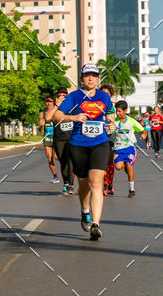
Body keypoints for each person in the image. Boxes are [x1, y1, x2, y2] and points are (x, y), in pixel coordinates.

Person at [52, 63, 115, 240]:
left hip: (100, 143)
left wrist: (111, 122)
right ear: (82, 78)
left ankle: (96, 224)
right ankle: (84, 211)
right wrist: (73, 117)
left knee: (96, 182)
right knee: (83, 183)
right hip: (78, 144)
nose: (91, 78)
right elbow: (56, 116)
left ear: (97, 78)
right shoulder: (74, 97)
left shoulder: (104, 96)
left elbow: (110, 114)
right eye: (87, 75)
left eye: (94, 75)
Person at [112, 100, 147, 197]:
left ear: (125, 111)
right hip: (118, 148)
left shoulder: (131, 121)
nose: (118, 113)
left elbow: (143, 130)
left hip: (130, 147)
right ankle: (125, 166)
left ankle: (132, 189)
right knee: (118, 167)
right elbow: (109, 133)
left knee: (129, 165)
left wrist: (144, 134)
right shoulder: (114, 122)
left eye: (119, 111)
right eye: (116, 111)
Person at [48, 88, 75, 194]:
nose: (62, 97)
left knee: (71, 161)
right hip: (59, 139)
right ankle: (66, 182)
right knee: (63, 162)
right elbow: (49, 117)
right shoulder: (55, 108)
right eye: (60, 96)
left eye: (64, 95)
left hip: (71, 137)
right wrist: (56, 105)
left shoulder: (72, 106)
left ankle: (71, 185)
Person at [39, 97, 59, 183]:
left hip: (56, 137)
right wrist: (40, 125)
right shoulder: (43, 113)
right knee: (50, 158)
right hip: (47, 138)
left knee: (57, 157)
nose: (48, 103)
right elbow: (40, 127)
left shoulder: (57, 111)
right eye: (46, 102)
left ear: (53, 102)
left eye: (50, 101)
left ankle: (67, 171)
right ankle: (55, 176)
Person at [100, 83, 116, 195]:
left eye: (107, 94)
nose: (105, 95)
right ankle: (104, 183)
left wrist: (110, 122)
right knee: (101, 162)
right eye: (103, 93)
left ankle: (109, 183)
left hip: (109, 135)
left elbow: (111, 119)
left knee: (110, 162)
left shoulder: (111, 106)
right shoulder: (94, 104)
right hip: (98, 135)